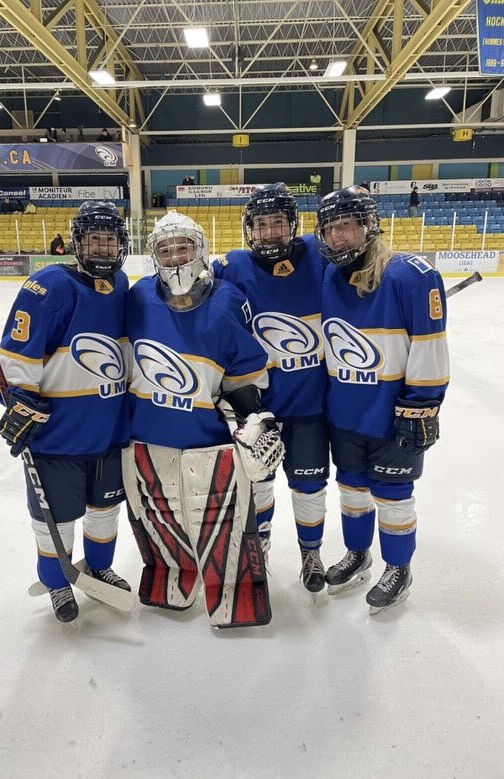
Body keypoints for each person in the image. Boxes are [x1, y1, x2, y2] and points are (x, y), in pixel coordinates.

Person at [123, 211, 284, 628]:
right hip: (148, 440)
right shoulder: (137, 297)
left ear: (201, 249)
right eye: (165, 249)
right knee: (160, 518)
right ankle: (170, 579)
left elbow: (243, 377)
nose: (175, 258)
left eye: (183, 247)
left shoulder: (229, 299)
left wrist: (253, 422)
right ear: (153, 255)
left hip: (209, 441)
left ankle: (235, 594)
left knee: (222, 523)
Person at [0, 201, 131, 623]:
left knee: (105, 510)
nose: (102, 249)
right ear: (76, 243)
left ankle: (100, 567)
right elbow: (17, 357)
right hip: (58, 438)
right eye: (94, 240)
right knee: (56, 519)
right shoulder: (50, 285)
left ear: (122, 245)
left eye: (109, 240)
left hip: (109, 435)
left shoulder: (122, 283)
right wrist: (18, 399)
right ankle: (56, 583)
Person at [315, 186, 449, 613]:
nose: (339, 237)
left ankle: (398, 567)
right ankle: (358, 554)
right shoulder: (329, 275)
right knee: (351, 491)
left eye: (348, 226)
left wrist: (423, 404)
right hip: (345, 412)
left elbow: (430, 349)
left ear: (369, 225)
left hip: (393, 414)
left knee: (393, 493)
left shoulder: (410, 275)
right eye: (331, 228)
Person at [213, 183, 329, 594]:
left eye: (278, 223)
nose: (270, 232)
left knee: (308, 483)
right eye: (261, 225)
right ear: (250, 229)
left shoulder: (320, 254)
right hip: (257, 407)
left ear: (293, 224)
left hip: (310, 406)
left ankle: (310, 553)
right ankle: (258, 544)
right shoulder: (233, 267)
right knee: (258, 483)